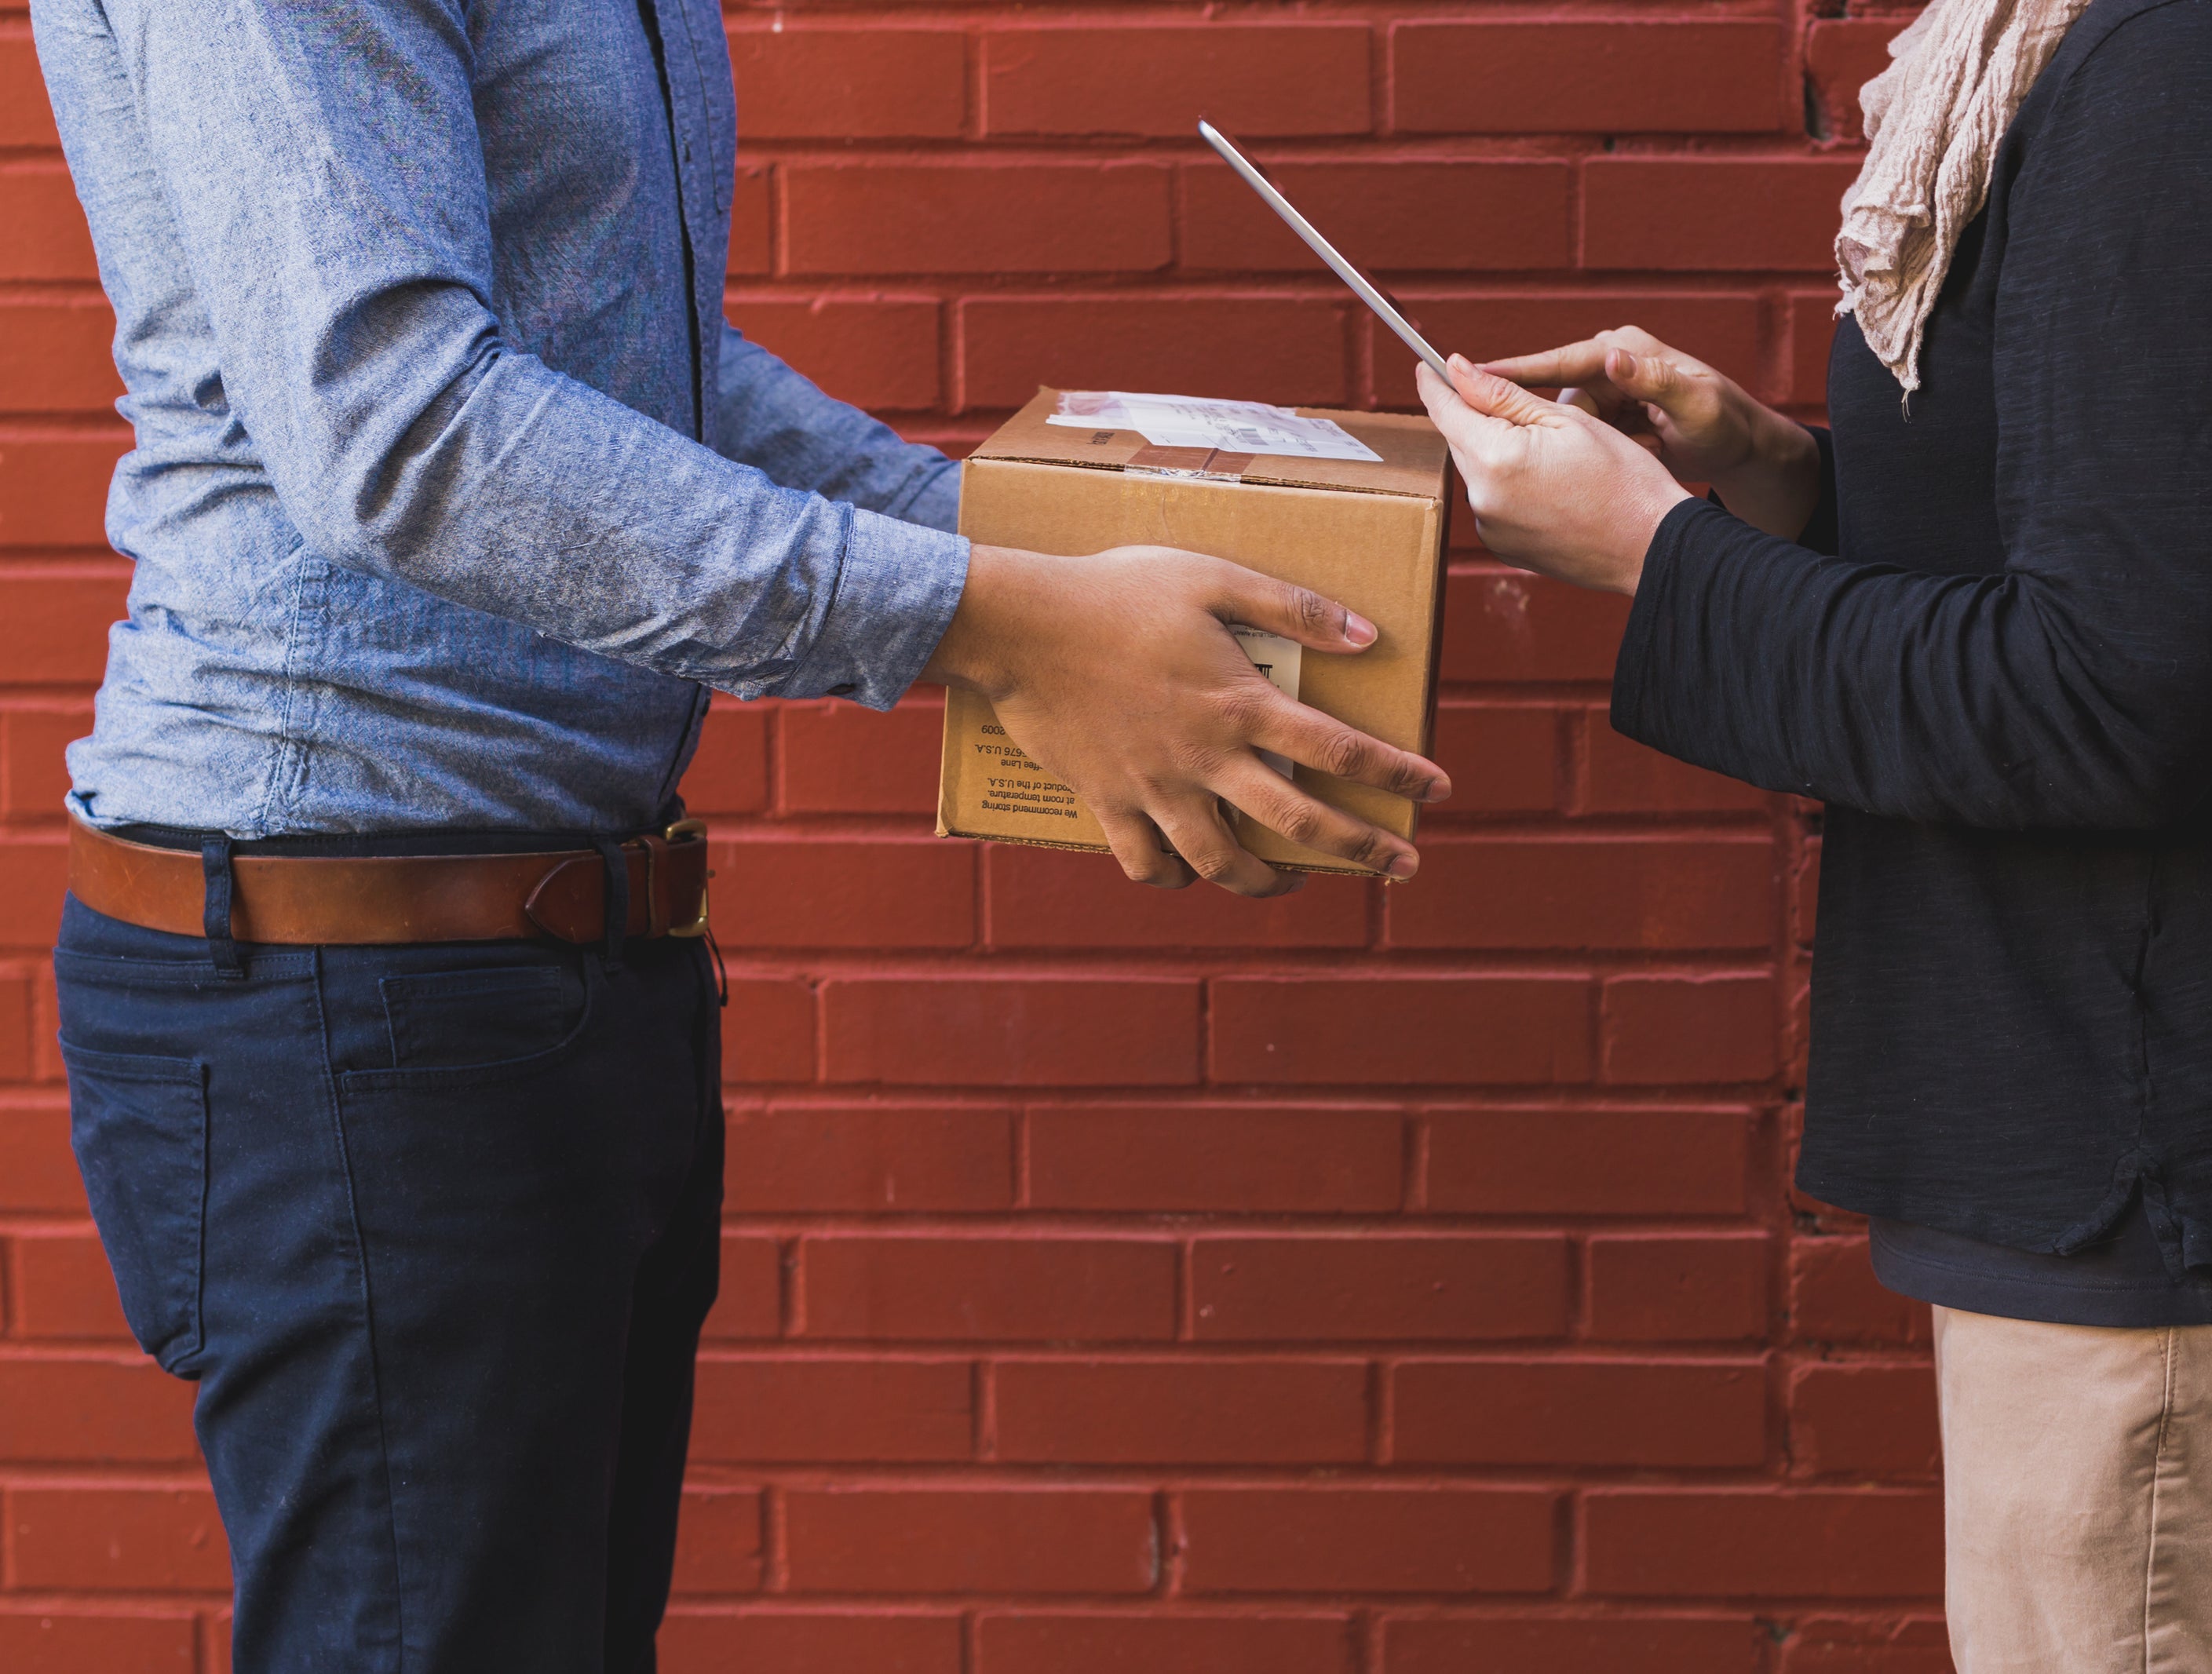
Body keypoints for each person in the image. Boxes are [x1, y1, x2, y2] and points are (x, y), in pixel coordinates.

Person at [31, 2, 1447, 1670]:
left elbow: (626, 355)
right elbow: (399, 429)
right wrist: (992, 622)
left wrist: (1060, 565)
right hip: (352, 978)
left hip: (543, 970)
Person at [1413, 0, 2212, 1665]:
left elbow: (2107, 704)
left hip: (2174, 1151)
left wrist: (1665, 559)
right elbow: (2138, 553)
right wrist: (1781, 479)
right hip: (2146, 1109)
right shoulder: (2120, 47)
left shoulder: (2193, 57)